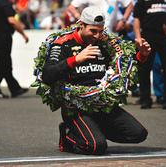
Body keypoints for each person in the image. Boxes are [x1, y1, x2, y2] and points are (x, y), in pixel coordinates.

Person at [42, 6, 150, 155]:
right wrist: (75, 60)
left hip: (102, 104)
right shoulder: (63, 44)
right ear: (81, 25)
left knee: (138, 134)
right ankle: (68, 135)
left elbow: (125, 71)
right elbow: (47, 75)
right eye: (93, 31)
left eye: (100, 30)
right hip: (76, 107)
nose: (98, 35)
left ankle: (93, 131)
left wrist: (141, 56)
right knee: (96, 147)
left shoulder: (106, 43)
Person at [133, 0, 166, 109]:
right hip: (147, 36)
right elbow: (137, 19)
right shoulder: (142, 1)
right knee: (144, 69)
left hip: (165, 37)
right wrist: (138, 38)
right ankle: (145, 99)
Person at [0, 0, 29, 98]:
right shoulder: (6, 4)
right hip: (2, 37)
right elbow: (12, 20)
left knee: (5, 62)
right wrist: (23, 34)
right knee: (3, 62)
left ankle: (15, 88)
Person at [66, 0, 134, 33]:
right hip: (93, 32)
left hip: (111, 32)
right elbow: (71, 7)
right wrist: (82, 18)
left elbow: (130, 5)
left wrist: (123, 21)